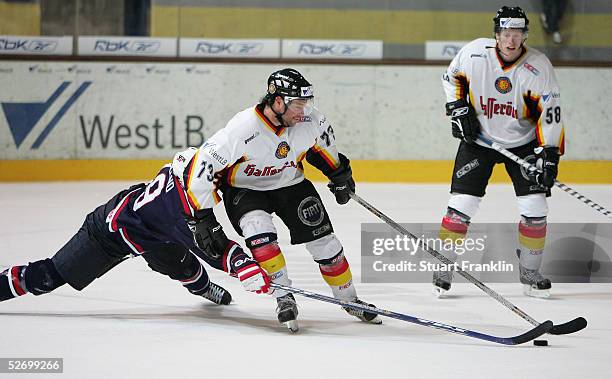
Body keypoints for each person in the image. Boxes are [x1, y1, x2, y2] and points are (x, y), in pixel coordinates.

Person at [175, 68, 382, 332]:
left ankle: (350, 300)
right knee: (260, 235)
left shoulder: (311, 121)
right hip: (245, 190)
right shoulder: (243, 128)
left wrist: (339, 173)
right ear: (278, 100)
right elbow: (202, 166)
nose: (303, 110)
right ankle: (283, 296)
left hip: (291, 186)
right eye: (297, 104)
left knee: (326, 245)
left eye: (305, 103)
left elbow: (322, 148)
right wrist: (202, 216)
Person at [1, 163, 271, 305]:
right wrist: (243, 265)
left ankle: (202, 288)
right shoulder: (180, 213)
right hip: (108, 235)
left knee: (184, 266)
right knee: (48, 277)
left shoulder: (185, 173)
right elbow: (214, 248)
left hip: (154, 232)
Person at [434, 6, 564, 298]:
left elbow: (551, 113)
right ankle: (443, 267)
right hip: (478, 141)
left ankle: (529, 273)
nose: (511, 41)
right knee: (460, 207)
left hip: (523, 143)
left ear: (524, 35)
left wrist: (550, 155)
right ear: (497, 34)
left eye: (517, 34)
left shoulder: (538, 66)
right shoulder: (474, 53)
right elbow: (450, 78)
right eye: (506, 34)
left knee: (535, 210)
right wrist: (457, 107)